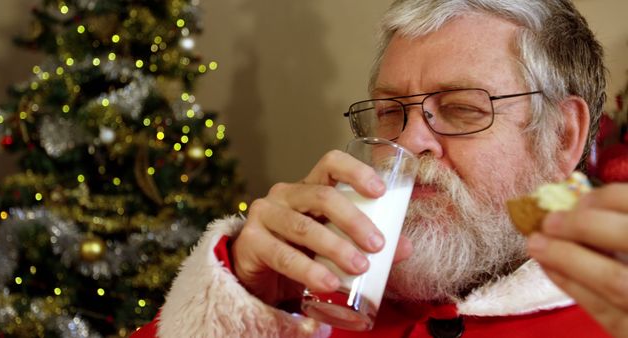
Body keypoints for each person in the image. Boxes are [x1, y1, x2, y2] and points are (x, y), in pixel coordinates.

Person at [132, 0, 628, 337]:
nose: (407, 142)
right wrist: (244, 302)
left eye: (461, 108)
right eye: (391, 112)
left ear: (562, 137)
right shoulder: (308, 289)